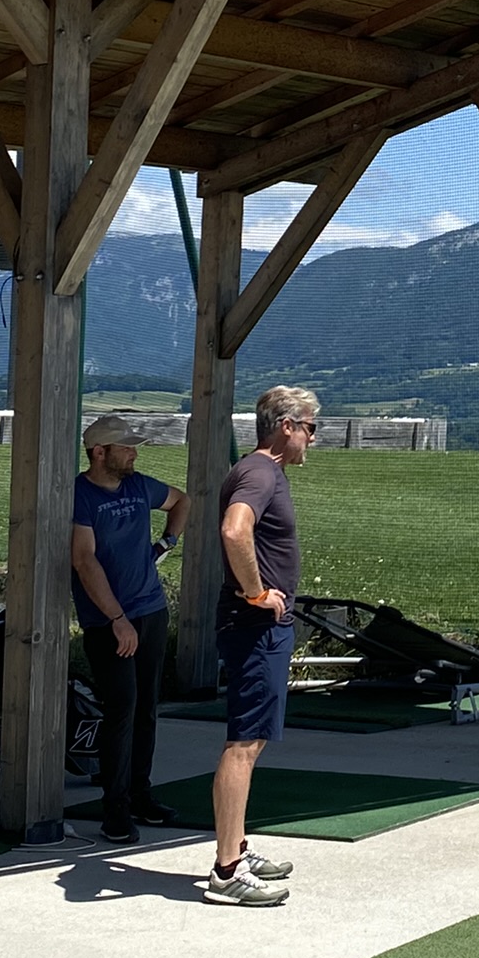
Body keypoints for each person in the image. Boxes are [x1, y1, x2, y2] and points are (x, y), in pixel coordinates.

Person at [204, 384, 318, 908]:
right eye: (310, 428)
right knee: (244, 743)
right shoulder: (259, 472)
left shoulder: (266, 472)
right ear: (286, 426)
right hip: (254, 628)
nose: (313, 439)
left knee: (254, 739)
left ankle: (237, 845)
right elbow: (234, 531)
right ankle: (227, 871)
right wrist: (256, 593)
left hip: (262, 628)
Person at [70, 414, 189, 846]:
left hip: (150, 611)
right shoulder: (80, 496)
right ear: (99, 452)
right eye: (125, 447)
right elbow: (84, 561)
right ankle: (114, 810)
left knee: (146, 709)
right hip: (108, 621)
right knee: (122, 709)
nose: (134, 453)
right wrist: (117, 619)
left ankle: (142, 796)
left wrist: (166, 543)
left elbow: (182, 501)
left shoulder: (140, 486)